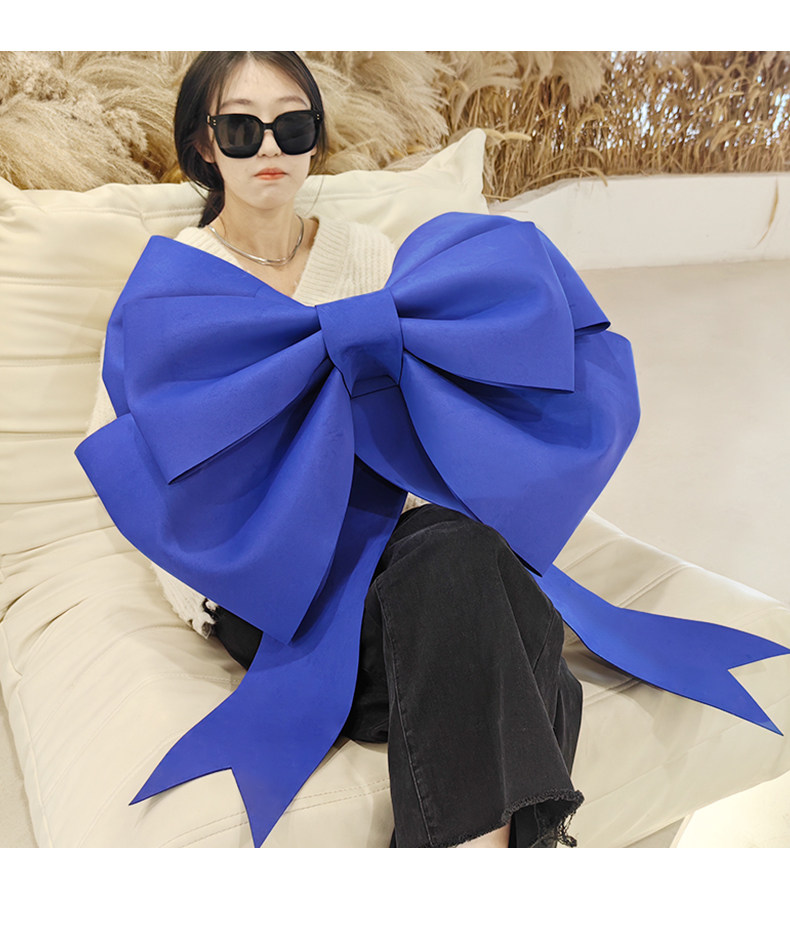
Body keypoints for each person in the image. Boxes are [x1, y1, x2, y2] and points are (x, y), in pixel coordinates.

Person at [86, 50, 584, 848]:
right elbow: (126, 465)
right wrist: (212, 592)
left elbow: (434, 414)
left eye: (292, 124)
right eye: (241, 127)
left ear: (315, 137)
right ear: (204, 143)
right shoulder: (176, 285)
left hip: (397, 547)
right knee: (513, 620)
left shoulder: (369, 259)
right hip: (269, 585)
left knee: (462, 555)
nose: (269, 145)